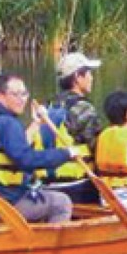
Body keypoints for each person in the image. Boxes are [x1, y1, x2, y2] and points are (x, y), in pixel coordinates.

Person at [0, 72, 82, 224]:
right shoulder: (7, 122)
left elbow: (13, 148)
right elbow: (26, 160)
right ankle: (52, 247)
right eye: (15, 95)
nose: (22, 100)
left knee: (39, 193)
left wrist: (36, 123)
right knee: (61, 202)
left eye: (24, 94)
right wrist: (66, 153)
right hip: (2, 204)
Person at [41, 51, 104, 203]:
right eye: (88, 73)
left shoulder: (48, 105)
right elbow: (99, 148)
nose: (92, 77)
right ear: (77, 77)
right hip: (75, 187)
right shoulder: (82, 108)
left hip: (44, 186)